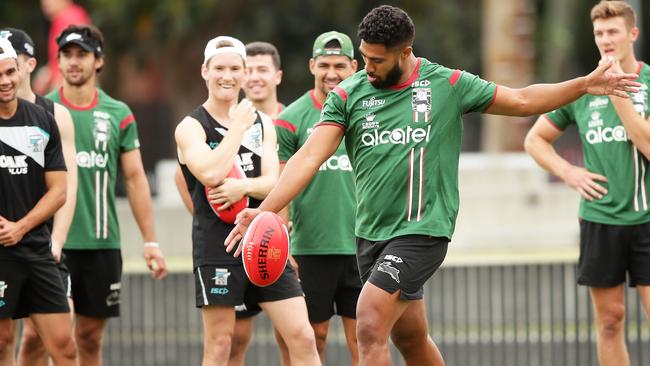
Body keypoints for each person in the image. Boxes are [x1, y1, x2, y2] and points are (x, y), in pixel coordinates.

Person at [225, 5, 639, 366]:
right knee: (411, 339)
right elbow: (309, 157)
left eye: (377, 60)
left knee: (369, 323)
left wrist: (583, 84)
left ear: (406, 52)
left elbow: (523, 100)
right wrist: (262, 211)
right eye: (364, 57)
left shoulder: (447, 84)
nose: (367, 67)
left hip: (423, 230)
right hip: (369, 236)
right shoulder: (350, 94)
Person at [174, 35, 320, 366]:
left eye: (234, 69)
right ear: (205, 72)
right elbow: (210, 173)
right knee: (222, 344)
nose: (227, 76)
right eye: (219, 68)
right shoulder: (191, 127)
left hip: (263, 238)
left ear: (243, 73)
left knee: (302, 335)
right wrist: (236, 128)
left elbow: (273, 182)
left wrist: (244, 188)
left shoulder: (263, 124)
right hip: (218, 246)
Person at [525, 2, 650, 365]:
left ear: (632, 34)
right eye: (599, 33)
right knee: (609, 321)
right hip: (599, 221)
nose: (606, 39)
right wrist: (568, 172)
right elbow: (534, 140)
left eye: (613, 32)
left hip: (645, 219)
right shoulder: (583, 90)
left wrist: (616, 92)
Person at [47, 24, 167, 366]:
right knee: (54, 337)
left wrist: (150, 241)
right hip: (55, 243)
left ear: (98, 61)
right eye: (66, 55)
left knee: (89, 338)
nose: (73, 62)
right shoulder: (42, 110)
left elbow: (135, 179)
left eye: (81, 54)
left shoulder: (118, 113)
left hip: (102, 243)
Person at [273, 31, 360, 365]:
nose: (332, 72)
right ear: (312, 65)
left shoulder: (368, 112)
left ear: (354, 66)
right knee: (313, 338)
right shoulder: (290, 119)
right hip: (309, 248)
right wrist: (282, 244)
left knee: (364, 339)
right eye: (324, 64)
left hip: (361, 245)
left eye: (340, 64)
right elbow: (281, 187)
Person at [0, 27, 77, 366]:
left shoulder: (43, 120)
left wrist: (22, 226)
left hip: (35, 248)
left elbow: (59, 190)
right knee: (3, 341)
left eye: (9, 71)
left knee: (64, 345)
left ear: (21, 70)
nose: (4, 80)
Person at [34, 0, 91, 94]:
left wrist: (56, 94)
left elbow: (76, 59)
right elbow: (57, 57)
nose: (45, 2)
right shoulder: (60, 19)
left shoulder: (70, 18)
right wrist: (48, 73)